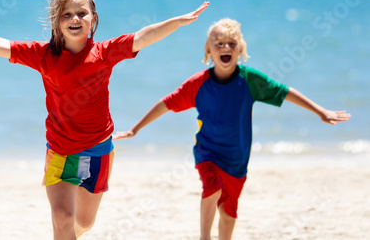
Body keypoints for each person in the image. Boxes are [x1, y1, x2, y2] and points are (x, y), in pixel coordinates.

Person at [0, 0, 209, 240]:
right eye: (66, 14)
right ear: (57, 21)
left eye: (81, 13)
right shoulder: (43, 55)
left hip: (98, 150)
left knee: (84, 223)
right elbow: (2, 45)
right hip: (60, 151)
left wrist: (178, 22)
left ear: (93, 18)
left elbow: (143, 36)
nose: (75, 19)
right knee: (62, 218)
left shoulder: (105, 53)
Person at [113, 18, 351, 240]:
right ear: (208, 51)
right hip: (207, 152)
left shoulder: (250, 80)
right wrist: (136, 129)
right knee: (212, 187)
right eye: (218, 44)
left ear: (240, 50)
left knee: (228, 213)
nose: (225, 47)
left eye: (231, 43)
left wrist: (320, 111)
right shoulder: (198, 84)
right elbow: (167, 103)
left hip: (237, 160)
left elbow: (284, 91)